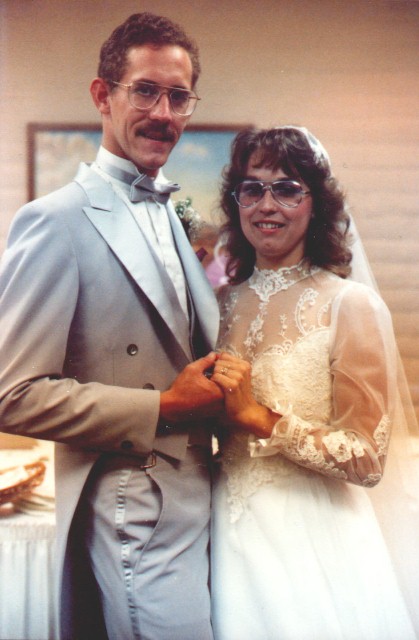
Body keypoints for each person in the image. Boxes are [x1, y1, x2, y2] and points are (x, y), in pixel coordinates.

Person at [0, 13, 224, 640]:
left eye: (179, 97)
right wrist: (164, 407)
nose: (163, 113)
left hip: (204, 493)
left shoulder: (172, 214)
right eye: (145, 91)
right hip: (137, 501)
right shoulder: (56, 221)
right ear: (103, 95)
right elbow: (11, 393)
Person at [210, 126, 419, 639]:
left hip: (313, 542)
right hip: (222, 532)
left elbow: (367, 459)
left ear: (316, 204)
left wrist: (261, 419)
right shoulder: (217, 305)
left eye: (287, 189)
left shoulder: (349, 305)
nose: (267, 205)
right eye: (253, 188)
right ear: (237, 201)